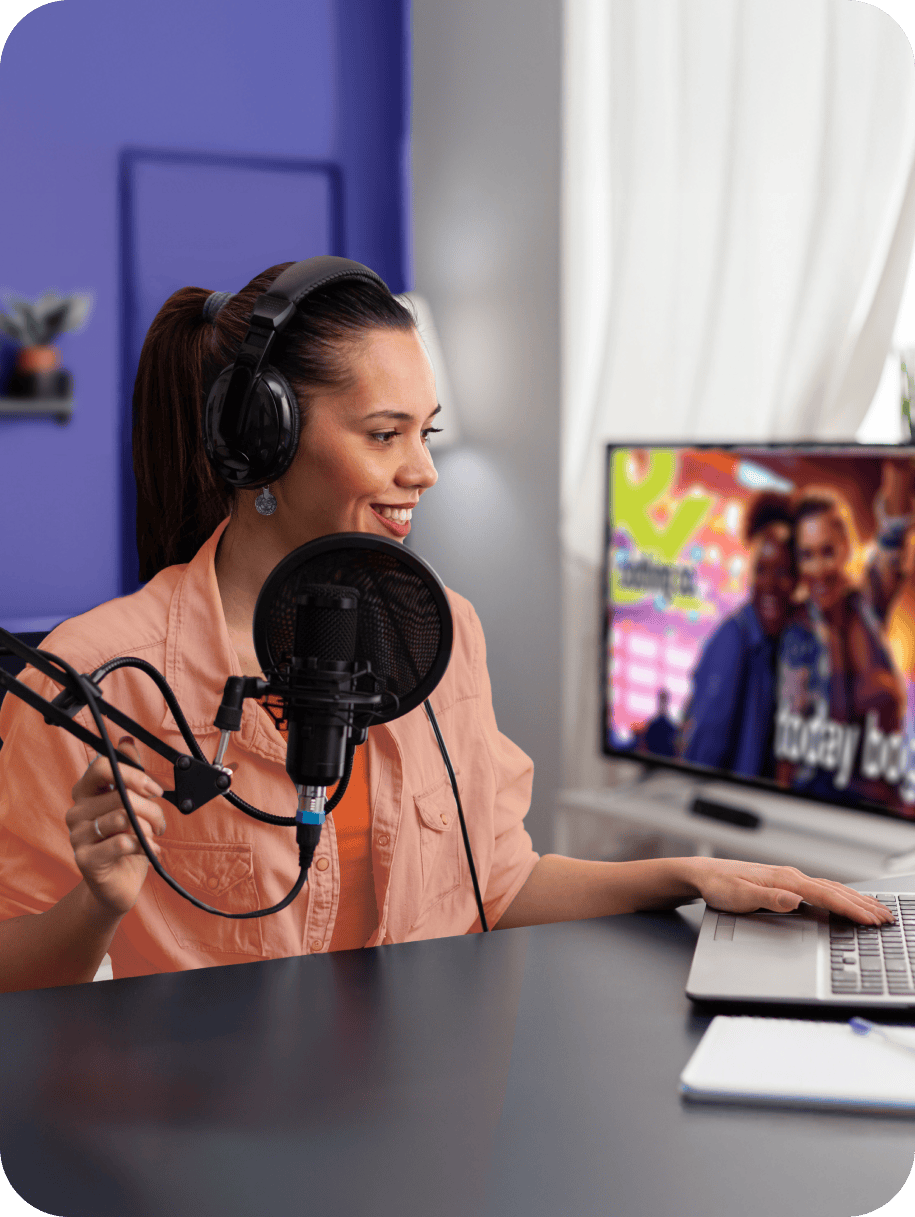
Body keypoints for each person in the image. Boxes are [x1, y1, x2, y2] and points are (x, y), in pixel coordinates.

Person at [0, 259, 891, 993]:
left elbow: (496, 882)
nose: (423, 471)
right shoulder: (94, 677)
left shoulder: (443, 632)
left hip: (428, 1125)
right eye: (386, 434)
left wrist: (684, 876)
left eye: (425, 432)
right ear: (260, 443)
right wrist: (95, 906)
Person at [778, 466, 913, 804]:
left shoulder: (865, 603)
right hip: (805, 797)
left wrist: (898, 466)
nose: (819, 568)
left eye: (828, 551)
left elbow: (892, 537)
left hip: (872, 797)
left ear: (845, 549)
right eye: (807, 556)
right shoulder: (790, 626)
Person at [680, 493, 797, 778]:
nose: (770, 584)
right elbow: (701, 762)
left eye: (783, 571)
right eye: (761, 571)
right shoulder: (733, 642)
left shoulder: (781, 645)